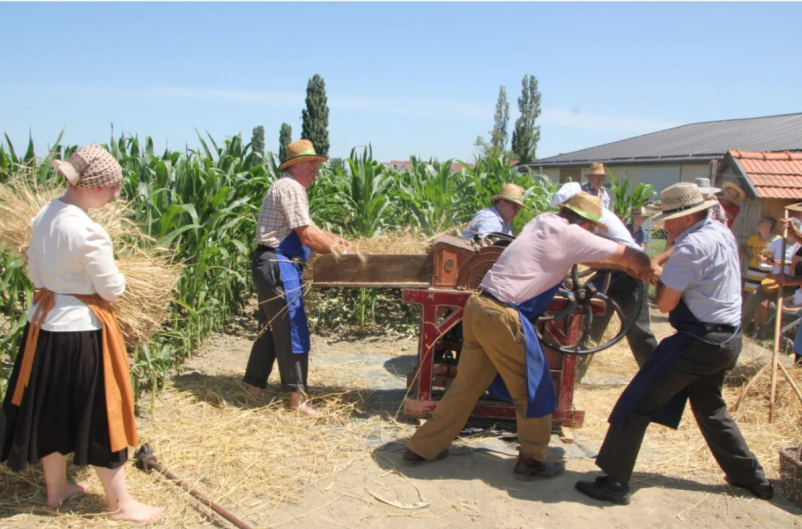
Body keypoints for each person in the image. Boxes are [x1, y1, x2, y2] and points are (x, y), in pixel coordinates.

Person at [402, 192, 656, 480]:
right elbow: (634, 255)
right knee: (535, 389)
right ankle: (532, 460)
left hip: (478, 307)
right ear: (587, 225)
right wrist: (650, 268)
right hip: (504, 316)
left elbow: (602, 261)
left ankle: (421, 447)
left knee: (466, 387)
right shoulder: (575, 235)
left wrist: (628, 266)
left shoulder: (542, 220)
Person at [576, 182, 772, 506]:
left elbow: (666, 304)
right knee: (712, 410)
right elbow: (677, 253)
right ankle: (751, 477)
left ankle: (613, 484)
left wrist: (653, 277)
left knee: (636, 404)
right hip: (728, 340)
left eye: (669, 219)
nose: (665, 225)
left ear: (685, 219)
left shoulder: (690, 249)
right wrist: (658, 260)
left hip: (699, 341)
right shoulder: (720, 232)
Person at [0, 146, 163, 522]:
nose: (115, 195)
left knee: (52, 412)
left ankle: (57, 491)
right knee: (102, 415)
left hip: (45, 327)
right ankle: (121, 504)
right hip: (81, 334)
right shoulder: (89, 232)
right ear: (90, 186)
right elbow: (113, 290)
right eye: (110, 188)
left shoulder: (45, 214)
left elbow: (36, 276)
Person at [243, 139, 349, 417]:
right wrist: (339, 255)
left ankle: (252, 389)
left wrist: (332, 237)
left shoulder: (288, 187)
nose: (316, 173)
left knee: (270, 330)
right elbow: (305, 235)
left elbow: (309, 226)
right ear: (299, 165)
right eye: (313, 167)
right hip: (279, 264)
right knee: (293, 328)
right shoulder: (291, 187)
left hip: (271, 263)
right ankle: (297, 400)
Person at [552, 184, 658, 372]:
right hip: (611, 272)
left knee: (638, 330)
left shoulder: (594, 216)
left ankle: (655, 374)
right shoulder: (588, 215)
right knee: (589, 321)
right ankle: (575, 375)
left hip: (629, 275)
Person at [462, 183, 526, 240]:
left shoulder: (505, 224)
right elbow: (483, 243)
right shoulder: (490, 218)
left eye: (518, 209)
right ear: (502, 203)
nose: (517, 213)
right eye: (515, 207)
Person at [741, 216, 778, 295]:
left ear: (769, 226)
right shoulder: (754, 238)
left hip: (768, 273)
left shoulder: (778, 239)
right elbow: (742, 247)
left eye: (762, 221)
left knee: (763, 297)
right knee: (749, 295)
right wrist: (749, 257)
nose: (759, 222)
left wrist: (764, 260)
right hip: (753, 272)